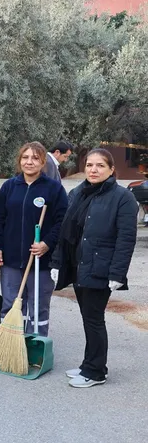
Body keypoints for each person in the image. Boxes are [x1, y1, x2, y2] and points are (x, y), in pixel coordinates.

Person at [50, 149, 136, 388]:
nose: (93, 170)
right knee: (88, 318)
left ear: (111, 169)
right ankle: (88, 364)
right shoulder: (78, 193)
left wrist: (117, 273)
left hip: (101, 268)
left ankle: (96, 371)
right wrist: (57, 262)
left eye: (100, 165)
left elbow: (126, 238)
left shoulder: (122, 198)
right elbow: (65, 233)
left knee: (94, 319)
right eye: (89, 165)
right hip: (79, 266)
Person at [0, 142, 68, 336]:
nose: (29, 162)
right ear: (19, 161)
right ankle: (10, 346)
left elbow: (63, 221)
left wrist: (47, 243)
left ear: (43, 163)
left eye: (35, 158)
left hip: (41, 261)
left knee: (38, 306)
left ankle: (36, 348)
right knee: (10, 304)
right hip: (11, 259)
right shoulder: (9, 186)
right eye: (25, 157)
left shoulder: (54, 189)